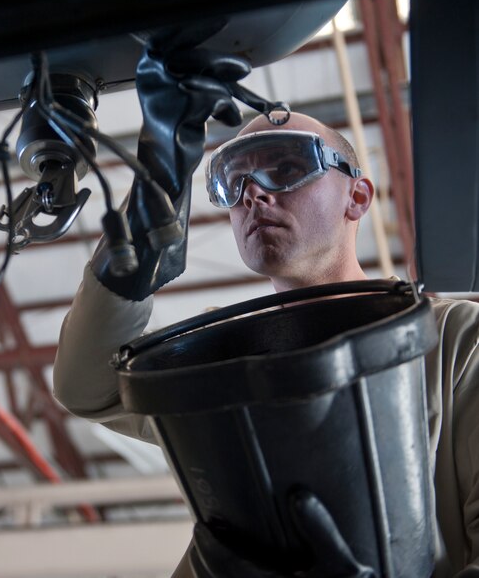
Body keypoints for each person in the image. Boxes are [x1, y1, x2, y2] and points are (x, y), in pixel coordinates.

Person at [51, 42, 479, 576]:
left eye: (287, 167)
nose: (253, 193)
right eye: (235, 182)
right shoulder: (218, 365)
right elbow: (87, 386)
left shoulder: (455, 338)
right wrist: (152, 198)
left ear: (357, 197)